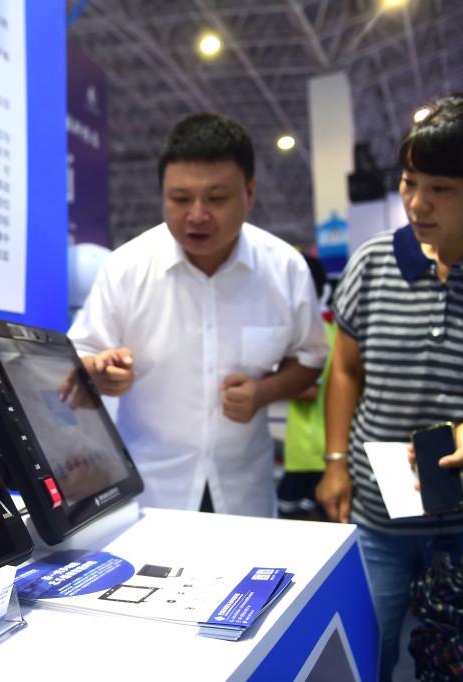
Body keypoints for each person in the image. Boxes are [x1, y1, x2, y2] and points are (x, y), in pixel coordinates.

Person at [316, 94, 463, 682]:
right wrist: (335, 462)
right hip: (379, 515)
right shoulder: (373, 262)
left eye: (442, 189)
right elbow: (345, 370)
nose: (417, 203)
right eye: (409, 182)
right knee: (364, 649)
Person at [67, 112, 328, 517]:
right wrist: (97, 372)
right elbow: (80, 356)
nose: (198, 215)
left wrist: (264, 392)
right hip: (151, 492)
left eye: (217, 198)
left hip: (245, 493)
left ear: (250, 193)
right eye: (180, 198)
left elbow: (310, 359)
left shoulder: (284, 269)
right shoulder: (126, 268)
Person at [277, 254, 336, 518]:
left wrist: (264, 386)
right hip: (314, 453)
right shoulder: (330, 328)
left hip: (311, 454)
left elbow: (309, 390)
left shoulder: (319, 333)